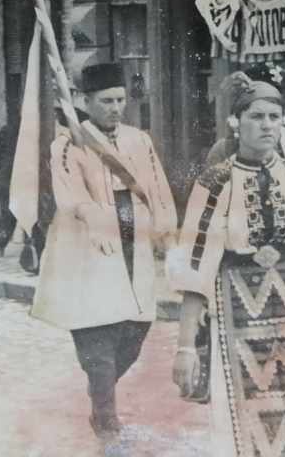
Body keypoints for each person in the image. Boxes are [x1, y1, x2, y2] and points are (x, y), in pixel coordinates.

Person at [169, 72, 285, 457]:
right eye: (257, 117)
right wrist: (184, 347)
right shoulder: (215, 182)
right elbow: (196, 268)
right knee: (240, 420)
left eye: (274, 118)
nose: (267, 125)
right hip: (236, 314)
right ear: (236, 122)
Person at [31, 63, 177, 440]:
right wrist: (97, 223)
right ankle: (106, 413)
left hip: (135, 237)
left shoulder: (138, 139)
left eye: (120, 100)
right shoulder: (68, 142)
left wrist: (165, 225)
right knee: (97, 328)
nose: (115, 108)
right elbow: (70, 194)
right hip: (88, 245)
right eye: (106, 101)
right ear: (86, 101)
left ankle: (101, 393)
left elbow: (157, 183)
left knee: (137, 325)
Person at [205, 65, 285, 197]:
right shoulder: (223, 149)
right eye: (257, 115)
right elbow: (207, 201)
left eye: (273, 115)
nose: (266, 125)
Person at [0, 113, 19, 256]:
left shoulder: (7, 129)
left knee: (6, 213)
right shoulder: (11, 130)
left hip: (7, 177)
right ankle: (2, 243)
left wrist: (2, 166)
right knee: (8, 212)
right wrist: (4, 167)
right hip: (11, 178)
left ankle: (1, 243)